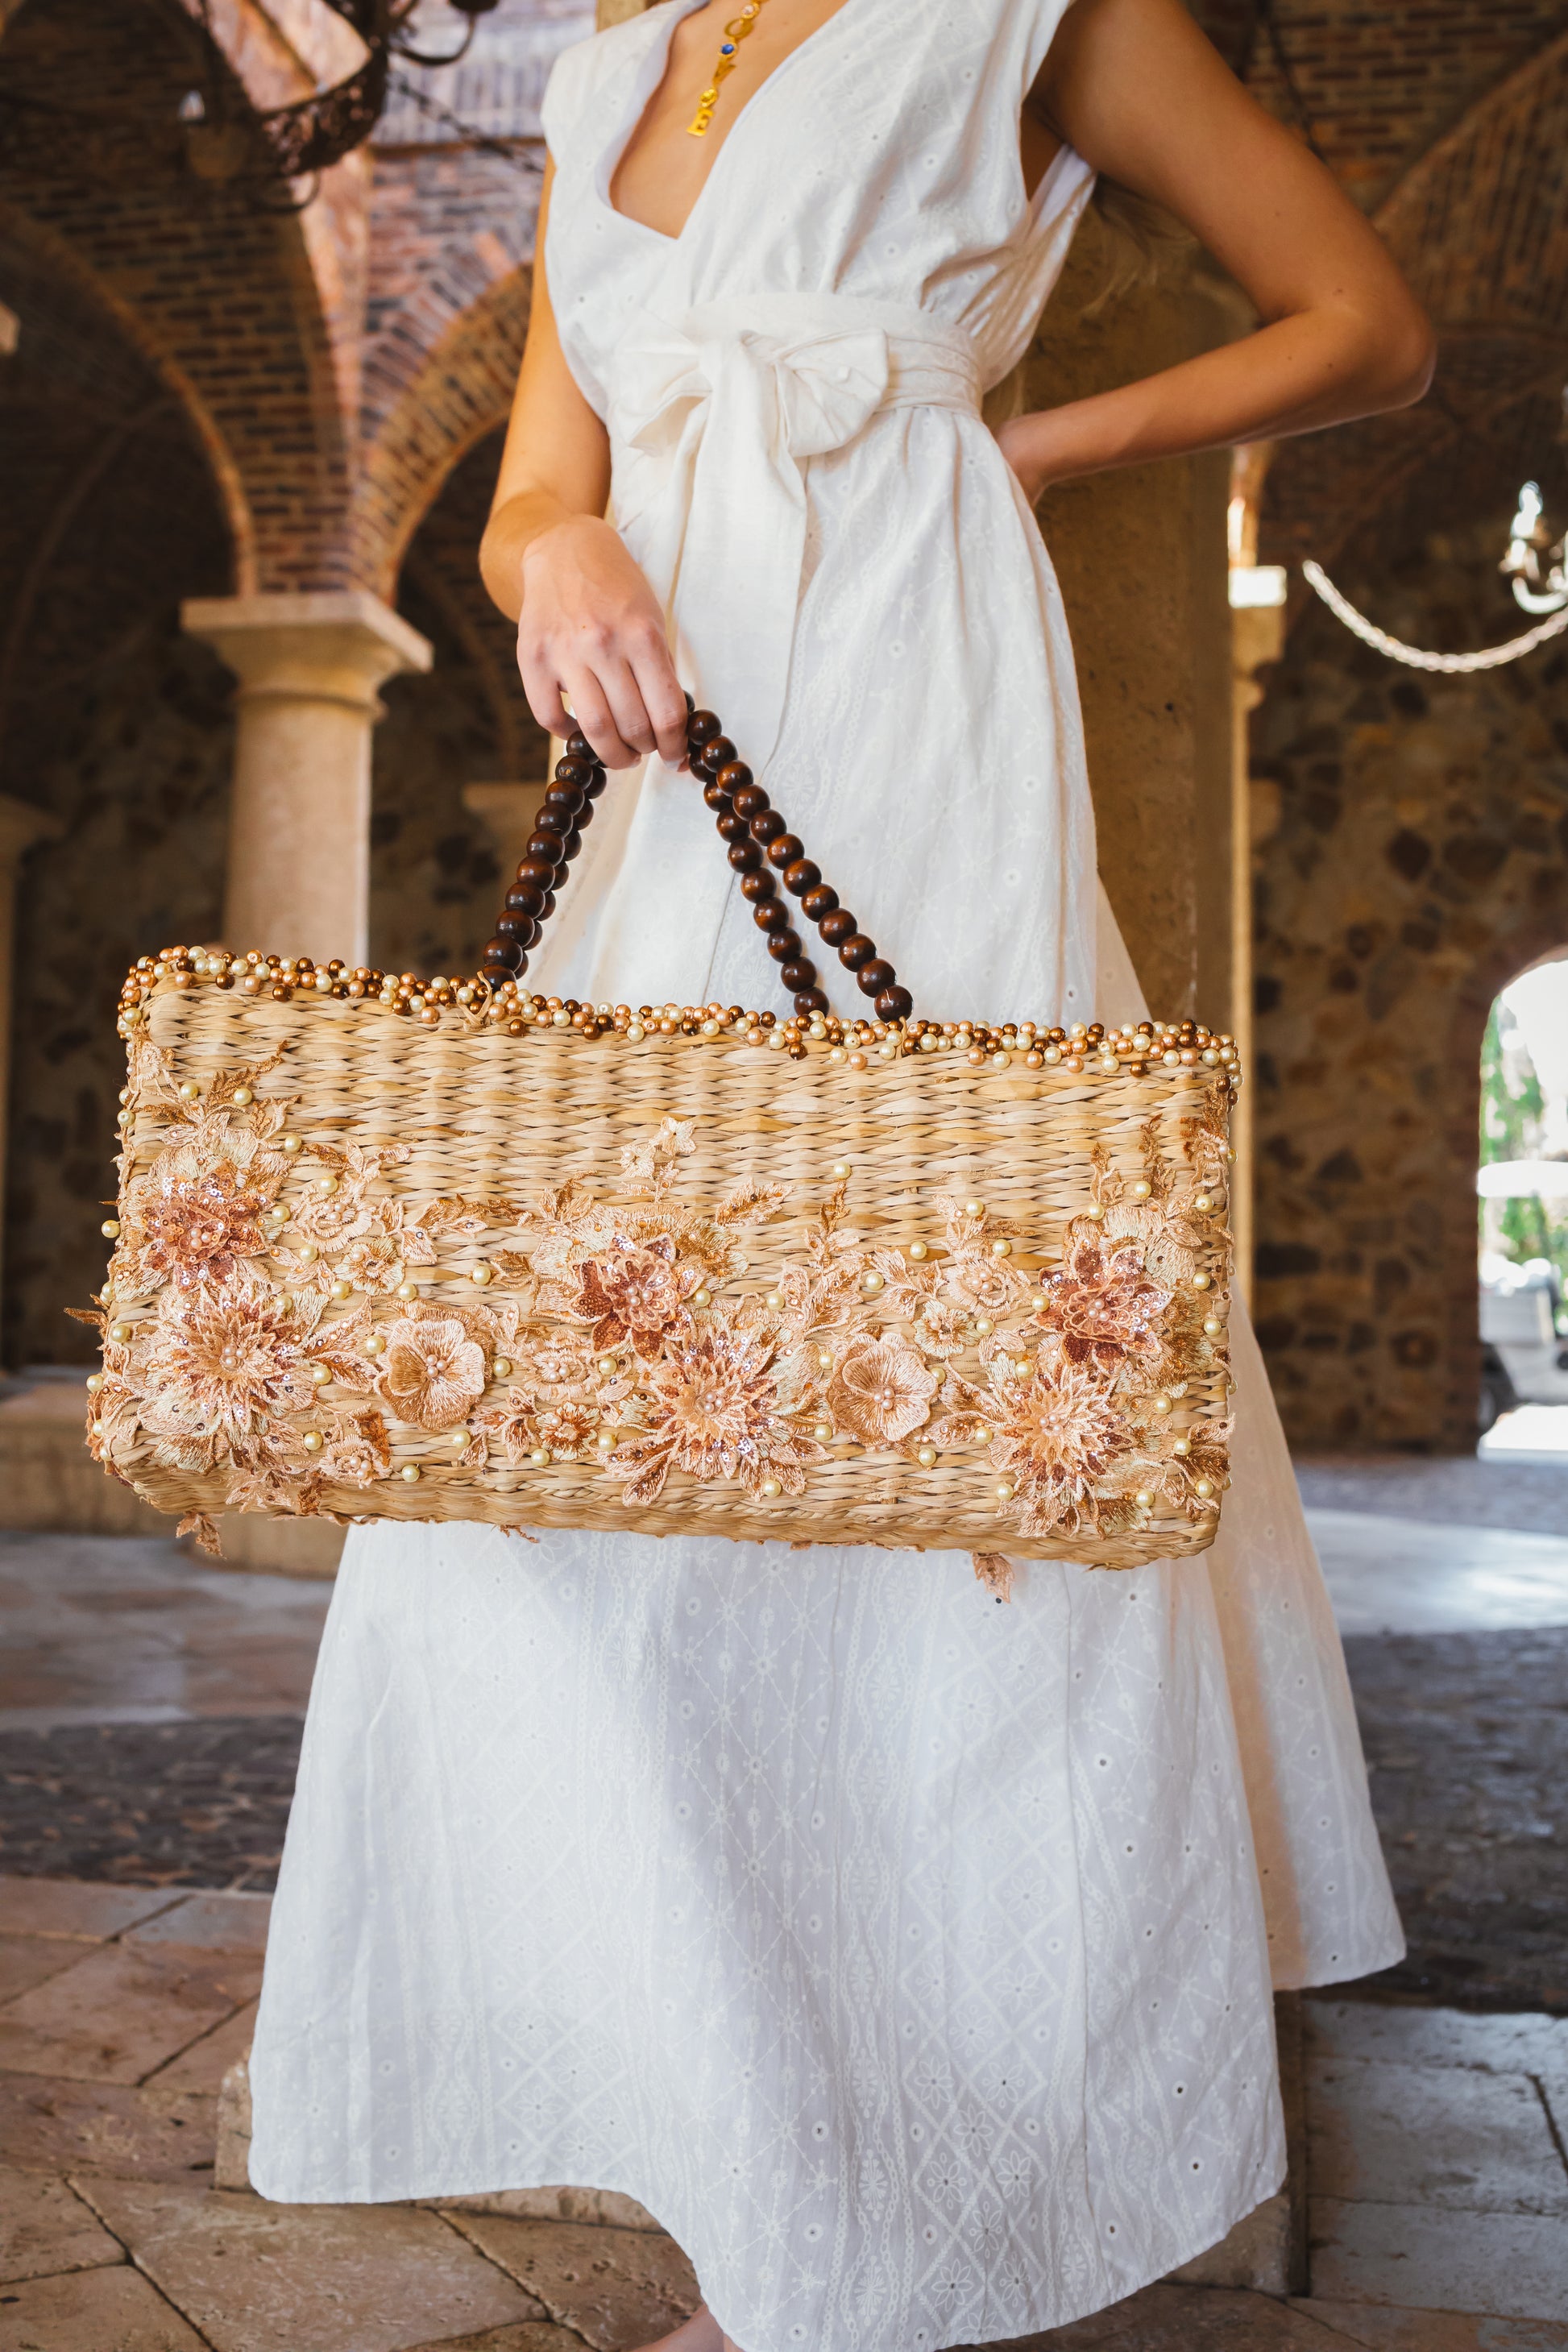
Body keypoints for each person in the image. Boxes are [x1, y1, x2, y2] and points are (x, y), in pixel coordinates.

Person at [247, 2, 1432, 2345]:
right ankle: (745, 2139)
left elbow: (1366, 324)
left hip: (904, 689)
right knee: (548, 1455)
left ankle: (916, 2212)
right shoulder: (602, 66)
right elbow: (524, 482)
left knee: (946, 1422)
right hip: (664, 722)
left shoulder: (1035, 12)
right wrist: (548, 544)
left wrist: (1028, 439)